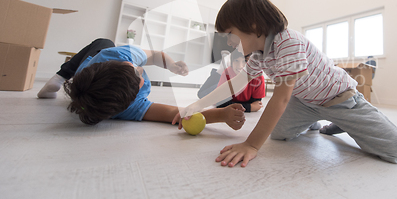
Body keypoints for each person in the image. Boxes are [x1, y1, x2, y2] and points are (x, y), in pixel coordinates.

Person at [180, 0, 397, 167]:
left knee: (396, 149)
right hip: (306, 103)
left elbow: (280, 99)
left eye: (229, 34)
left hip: (339, 99)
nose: (228, 42)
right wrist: (197, 105)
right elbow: (237, 82)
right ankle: (316, 121)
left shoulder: (288, 42)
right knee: (279, 134)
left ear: (252, 25)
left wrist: (251, 144)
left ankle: (342, 122)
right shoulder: (260, 54)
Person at [37, 38, 246, 130]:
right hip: (89, 72)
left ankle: (60, 76)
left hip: (92, 62)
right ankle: (61, 77)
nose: (140, 69)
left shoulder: (118, 55)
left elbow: (155, 55)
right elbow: (178, 113)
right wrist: (221, 115)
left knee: (103, 43)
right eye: (139, 76)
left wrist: (172, 66)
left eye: (131, 66)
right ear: (133, 97)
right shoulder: (128, 108)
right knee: (103, 43)